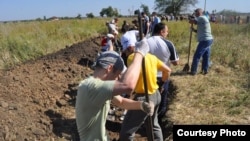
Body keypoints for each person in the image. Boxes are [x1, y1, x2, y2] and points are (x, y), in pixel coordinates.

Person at [75, 39, 154, 141]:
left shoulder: (96, 87)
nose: (116, 79)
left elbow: (121, 102)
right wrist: (139, 54)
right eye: (117, 75)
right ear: (109, 68)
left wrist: (141, 105)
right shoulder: (93, 86)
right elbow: (127, 85)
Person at [119, 37, 171, 141]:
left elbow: (130, 79)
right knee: (153, 125)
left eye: (124, 51)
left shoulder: (131, 58)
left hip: (143, 98)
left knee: (126, 131)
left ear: (130, 48)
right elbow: (168, 70)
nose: (124, 53)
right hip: (156, 95)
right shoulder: (152, 57)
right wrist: (161, 83)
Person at [147, 22, 179, 120]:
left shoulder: (145, 41)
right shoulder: (168, 44)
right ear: (162, 32)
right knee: (162, 100)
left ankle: (147, 120)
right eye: (167, 31)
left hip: (147, 76)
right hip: (163, 76)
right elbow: (175, 62)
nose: (167, 33)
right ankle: (158, 121)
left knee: (148, 99)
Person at [189, 8, 214, 75]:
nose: (196, 13)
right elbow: (200, 30)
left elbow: (191, 21)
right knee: (206, 56)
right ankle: (205, 70)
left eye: (196, 12)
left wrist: (191, 17)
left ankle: (193, 71)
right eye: (195, 12)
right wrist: (193, 30)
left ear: (200, 12)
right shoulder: (202, 19)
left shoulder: (201, 17)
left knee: (197, 56)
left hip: (205, 40)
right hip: (208, 39)